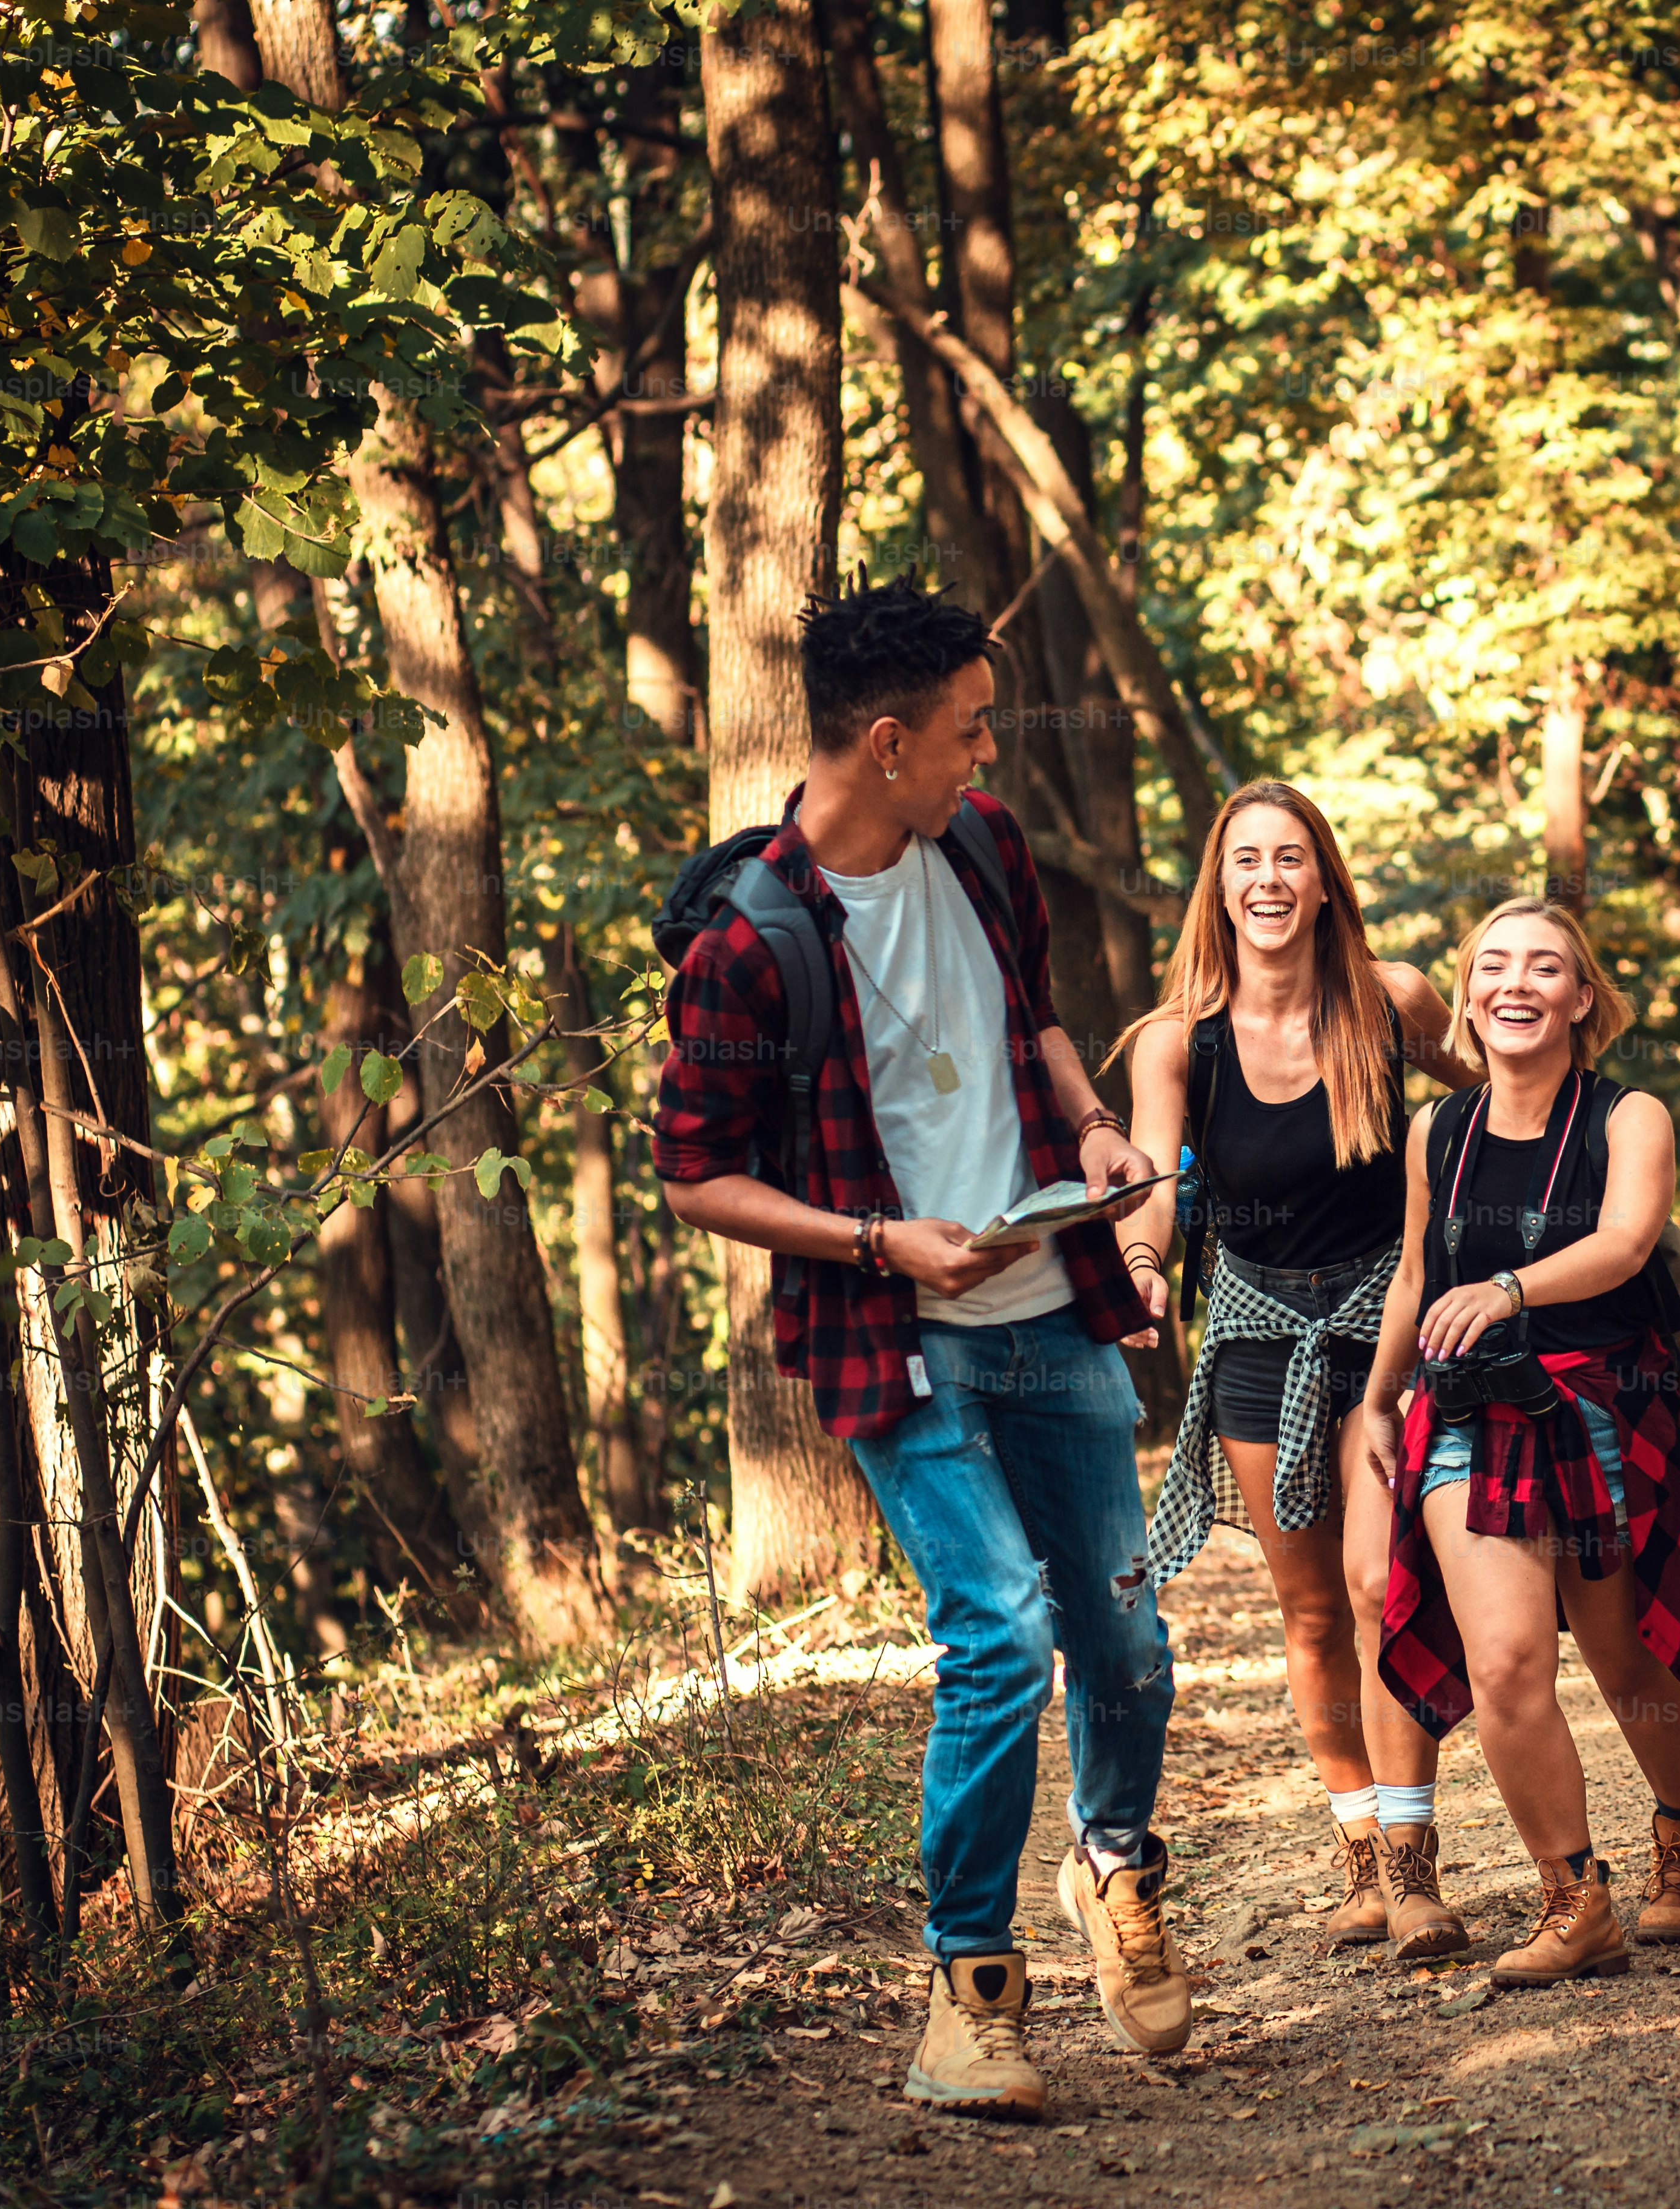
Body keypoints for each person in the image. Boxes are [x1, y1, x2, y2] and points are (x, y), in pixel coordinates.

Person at [654, 584, 1189, 2122]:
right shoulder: (749, 941)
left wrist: (1090, 1128)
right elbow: (693, 1178)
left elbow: (1033, 1023)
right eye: (967, 731)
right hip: (899, 1341)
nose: (986, 752)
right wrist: (885, 1241)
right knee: (1002, 1636)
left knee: (1130, 1637)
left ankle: (1113, 1869)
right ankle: (971, 1998)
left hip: (1050, 1314)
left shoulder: (985, 845)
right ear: (887, 743)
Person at [1364, 897, 1680, 1985]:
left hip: (1601, 1408)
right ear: (1468, 994)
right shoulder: (1436, 1132)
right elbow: (1421, 1276)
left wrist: (1510, 1289)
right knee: (1507, 1659)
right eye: (1495, 967)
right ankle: (1576, 1900)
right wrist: (1382, 1398)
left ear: (1581, 999)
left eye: (1545, 969)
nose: (1516, 985)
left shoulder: (1629, 1116)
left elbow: (1624, 1244)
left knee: (1626, 1659)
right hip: (1466, 1413)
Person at [1111, 782, 1476, 1961]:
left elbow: (1500, 1096)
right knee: (1313, 1612)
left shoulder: (1394, 1003)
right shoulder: (1179, 1043)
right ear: (1221, 888)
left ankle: (1418, 1872)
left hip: (1390, 1331)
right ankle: (1362, 1856)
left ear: (1324, 880)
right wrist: (1140, 1265)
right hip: (1260, 1341)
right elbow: (1160, 1188)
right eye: (1245, 861)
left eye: (1291, 858)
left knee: (1380, 1591)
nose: (1268, 880)